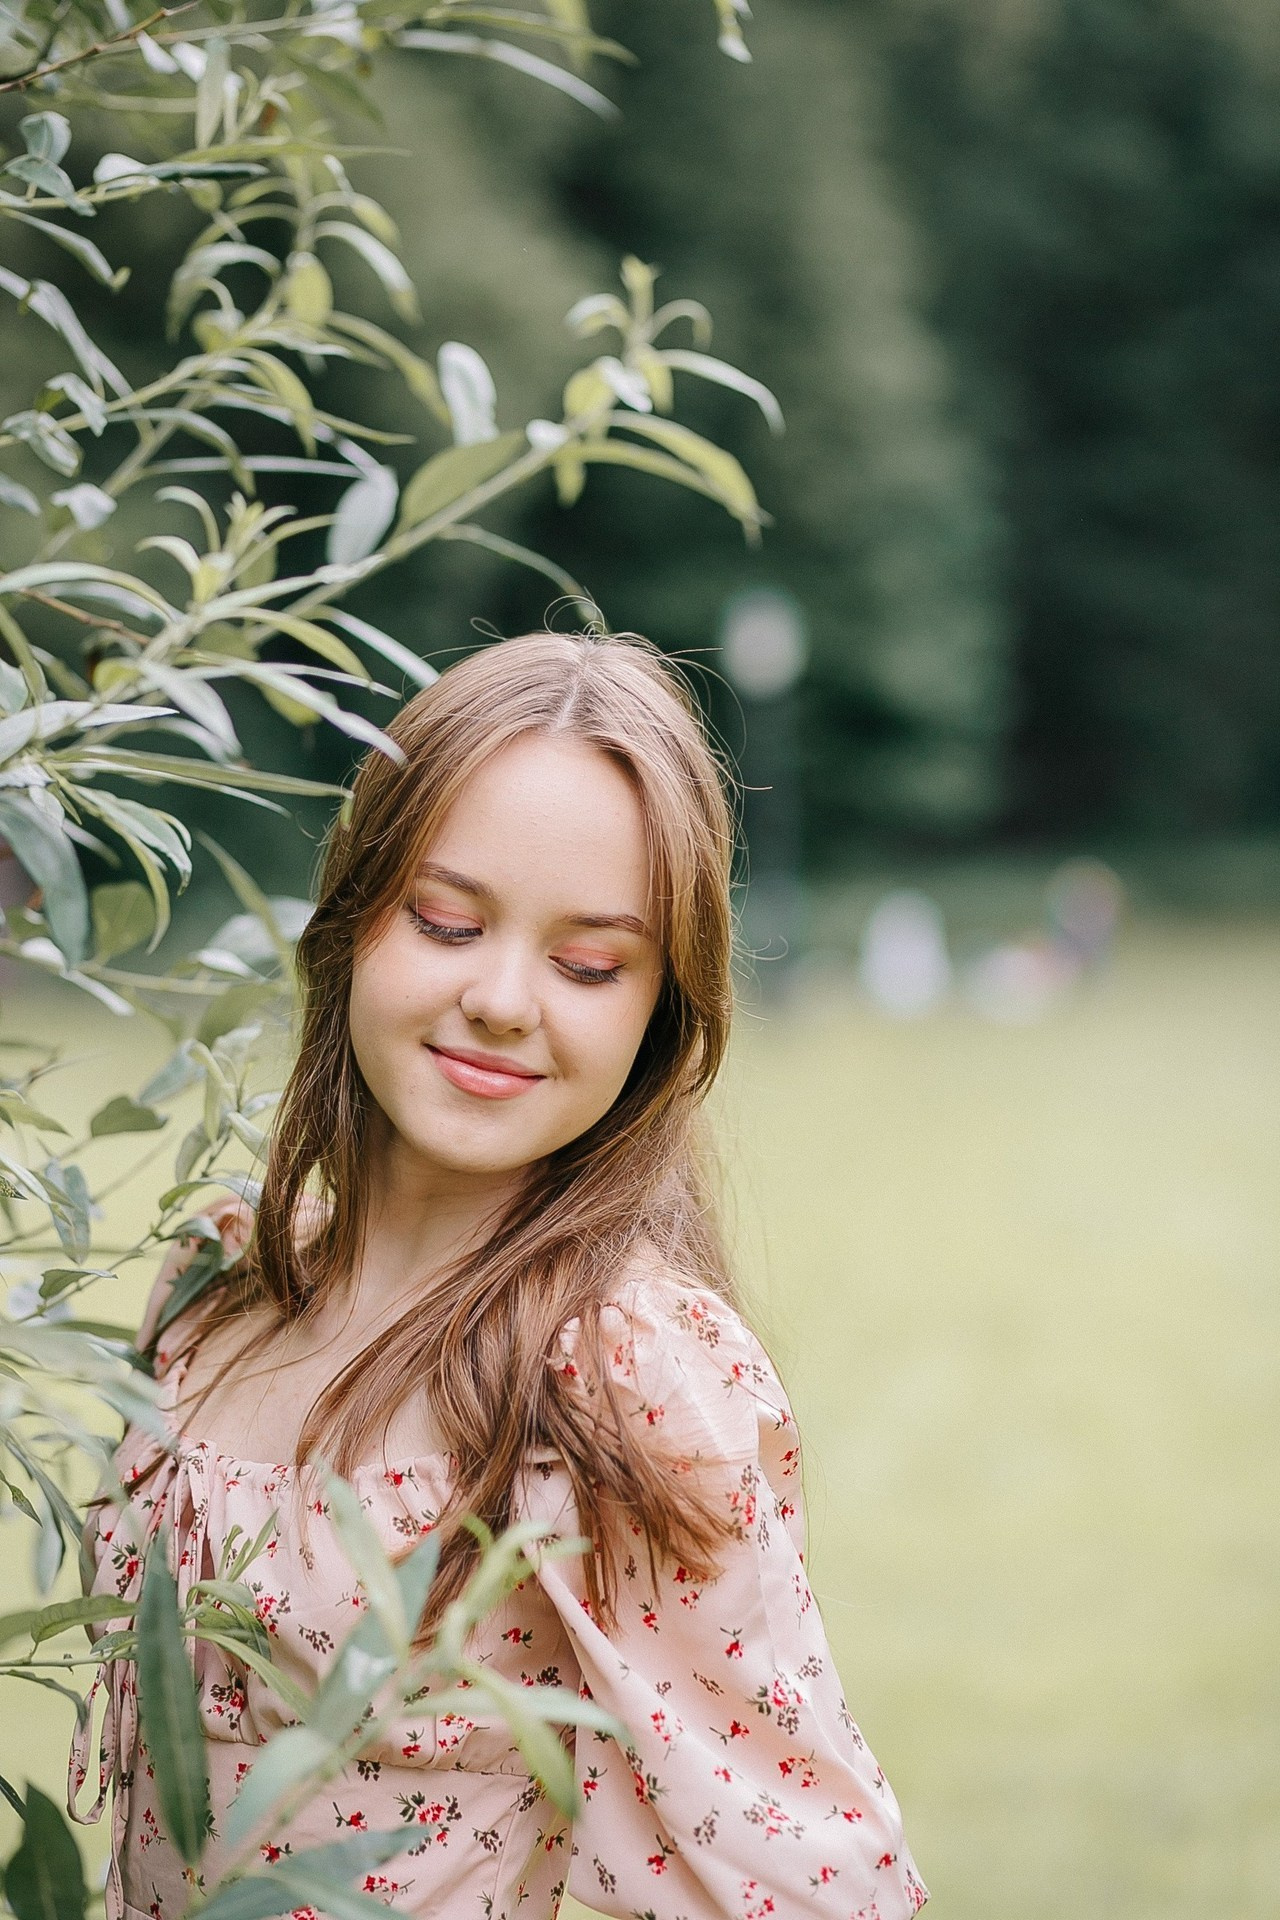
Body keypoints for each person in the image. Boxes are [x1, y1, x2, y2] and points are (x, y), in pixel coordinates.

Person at [70, 633, 928, 1920]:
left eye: (588, 964)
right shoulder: (212, 1283)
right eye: (447, 921)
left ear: (660, 1010)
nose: (504, 999)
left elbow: (798, 1878)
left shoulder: (613, 1371)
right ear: (352, 916)